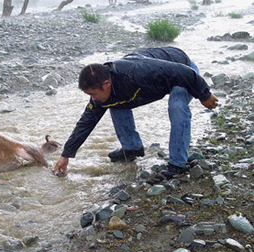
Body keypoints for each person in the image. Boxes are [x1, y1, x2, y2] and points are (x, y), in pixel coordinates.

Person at [51, 46, 219, 179]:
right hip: (160, 74)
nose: (93, 99)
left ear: (106, 83)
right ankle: (132, 148)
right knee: (113, 102)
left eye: (93, 94)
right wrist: (66, 154)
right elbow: (86, 123)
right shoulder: (102, 92)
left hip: (184, 70)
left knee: (176, 106)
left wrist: (204, 94)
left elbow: (183, 72)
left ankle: (177, 164)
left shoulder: (138, 72)